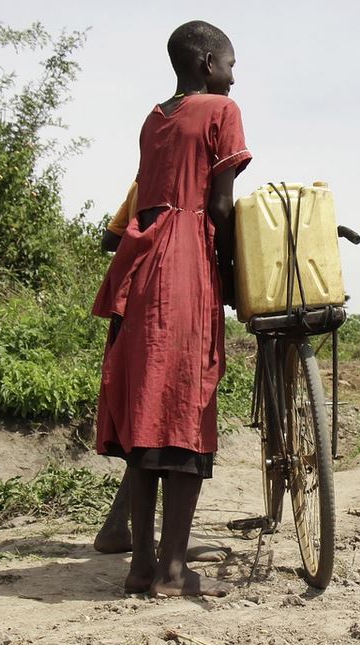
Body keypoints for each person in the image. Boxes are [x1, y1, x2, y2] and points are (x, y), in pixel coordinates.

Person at [92, 20, 251, 597]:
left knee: (146, 410)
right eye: (231, 64)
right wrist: (234, 276)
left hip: (140, 263)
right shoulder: (220, 110)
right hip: (187, 262)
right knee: (186, 405)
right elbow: (220, 204)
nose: (234, 76)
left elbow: (146, 195)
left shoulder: (152, 118)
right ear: (208, 62)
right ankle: (174, 573)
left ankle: (140, 567)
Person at [94, 184, 233, 565]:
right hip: (167, 301)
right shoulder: (198, 191)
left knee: (147, 420)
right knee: (176, 419)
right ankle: (170, 552)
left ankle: (121, 530)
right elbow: (222, 216)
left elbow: (111, 238)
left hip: (131, 301)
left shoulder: (142, 186)